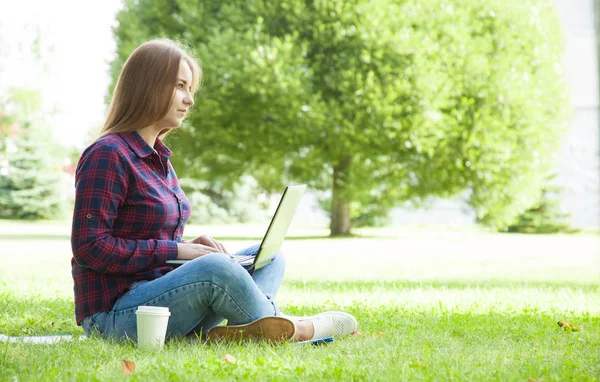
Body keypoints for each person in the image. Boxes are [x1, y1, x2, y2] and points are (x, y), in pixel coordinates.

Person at [70, 38, 358, 344]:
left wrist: (185, 248)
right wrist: (179, 252)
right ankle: (295, 329)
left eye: (190, 90)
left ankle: (244, 331)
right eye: (180, 86)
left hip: (162, 297)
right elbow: (91, 248)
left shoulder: (159, 159)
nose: (189, 100)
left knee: (269, 258)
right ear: (147, 85)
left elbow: (142, 239)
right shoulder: (108, 154)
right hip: (117, 315)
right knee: (216, 268)